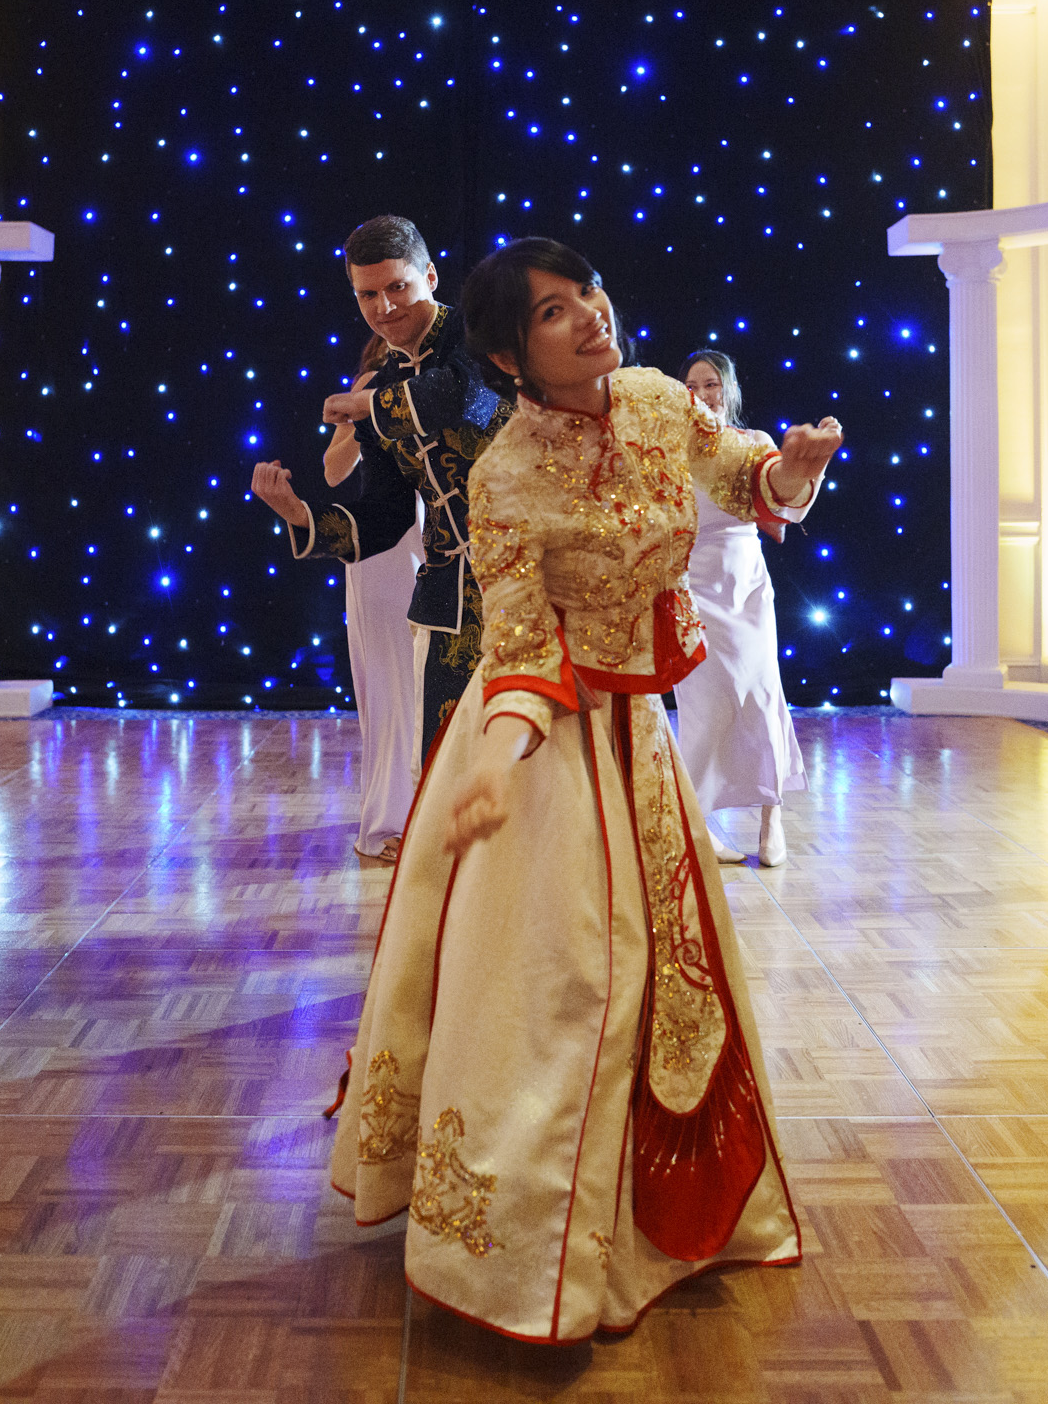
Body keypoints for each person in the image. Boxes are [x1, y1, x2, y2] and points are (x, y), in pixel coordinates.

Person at [323, 239, 839, 1342]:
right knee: (557, 992)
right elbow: (516, 646)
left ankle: (643, 1222)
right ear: (511, 357)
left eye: (588, 295)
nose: (589, 318)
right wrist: (493, 772)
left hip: (632, 735)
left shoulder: (657, 402)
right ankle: (533, 1250)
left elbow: (744, 469)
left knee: (662, 976)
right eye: (555, 313)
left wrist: (794, 468)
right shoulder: (505, 472)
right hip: (541, 741)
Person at [250, 216, 511, 750]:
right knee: (449, 767)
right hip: (449, 600)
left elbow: (466, 400)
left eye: (398, 287)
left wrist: (369, 405)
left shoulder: (479, 336)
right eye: (367, 294)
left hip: (529, 581)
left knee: (535, 765)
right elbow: (386, 516)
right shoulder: (386, 383)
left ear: (431, 278)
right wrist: (303, 516)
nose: (385, 307)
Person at [678, 349, 809, 868]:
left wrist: (809, 467)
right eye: (692, 385)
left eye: (711, 384)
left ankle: (771, 817)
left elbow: (785, 502)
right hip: (690, 583)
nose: (702, 394)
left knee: (760, 694)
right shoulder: (670, 447)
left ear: (728, 390)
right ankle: (698, 822)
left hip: (746, 584)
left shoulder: (754, 443)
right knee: (704, 702)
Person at [325, 335, 425, 861]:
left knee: (430, 687)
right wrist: (365, 418)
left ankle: (431, 818)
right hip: (384, 547)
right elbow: (333, 471)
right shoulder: (369, 387)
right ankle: (385, 824)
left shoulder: (450, 386)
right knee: (390, 687)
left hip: (443, 543)